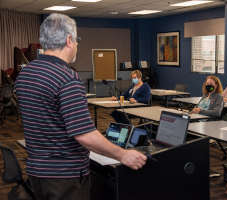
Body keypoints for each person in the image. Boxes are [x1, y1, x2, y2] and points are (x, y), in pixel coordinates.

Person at [15, 13, 146, 200]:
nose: (77, 44)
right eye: (77, 40)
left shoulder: (26, 74)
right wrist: (123, 155)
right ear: (69, 40)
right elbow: (84, 135)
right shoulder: (66, 78)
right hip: (65, 178)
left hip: (37, 172)